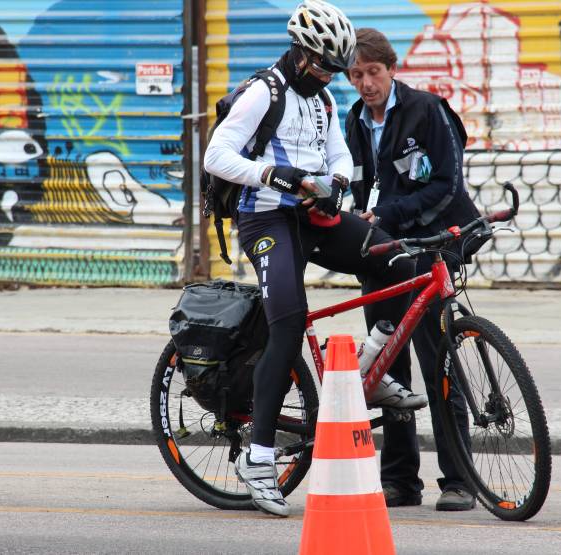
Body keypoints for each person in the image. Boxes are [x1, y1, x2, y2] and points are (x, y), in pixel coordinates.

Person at [203, 1, 427, 517]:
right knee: (288, 323)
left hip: (311, 215)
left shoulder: (323, 98)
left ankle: (369, 368)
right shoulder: (265, 91)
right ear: (301, 53)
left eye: (334, 67)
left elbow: (340, 155)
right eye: (324, 64)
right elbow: (217, 154)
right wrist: (272, 176)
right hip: (265, 220)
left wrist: (338, 183)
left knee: (398, 261)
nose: (330, 74)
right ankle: (259, 459)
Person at [345, 28, 481, 512]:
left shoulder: (428, 109)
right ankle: (401, 480)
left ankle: (459, 481)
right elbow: (359, 189)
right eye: (356, 74)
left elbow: (447, 184)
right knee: (387, 368)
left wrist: (387, 216)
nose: (366, 83)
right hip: (382, 252)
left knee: (438, 359)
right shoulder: (355, 122)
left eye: (373, 72)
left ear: (391, 68)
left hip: (432, 245)